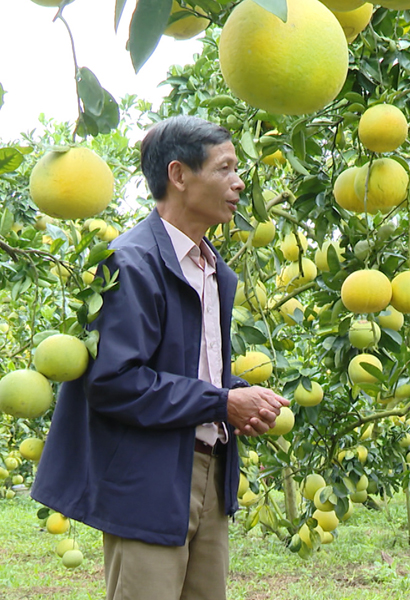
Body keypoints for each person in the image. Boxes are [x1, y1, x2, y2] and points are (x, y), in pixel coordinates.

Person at [32, 116, 289, 600]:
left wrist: (235, 397)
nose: (239, 182)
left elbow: (184, 367)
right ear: (179, 175)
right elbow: (116, 381)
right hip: (148, 478)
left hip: (210, 470)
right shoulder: (130, 262)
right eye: (225, 168)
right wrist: (219, 403)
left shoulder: (213, 270)